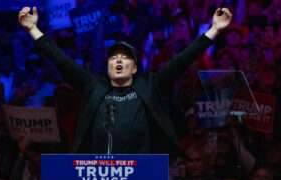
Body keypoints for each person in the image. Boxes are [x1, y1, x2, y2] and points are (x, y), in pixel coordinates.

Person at [18, 6, 232, 154]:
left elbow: (183, 59)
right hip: (100, 174)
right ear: (107, 66)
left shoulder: (150, 85)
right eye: (113, 58)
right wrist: (33, 29)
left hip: (143, 173)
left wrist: (213, 30)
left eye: (125, 57)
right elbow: (61, 60)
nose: (118, 60)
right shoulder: (93, 86)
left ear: (135, 68)